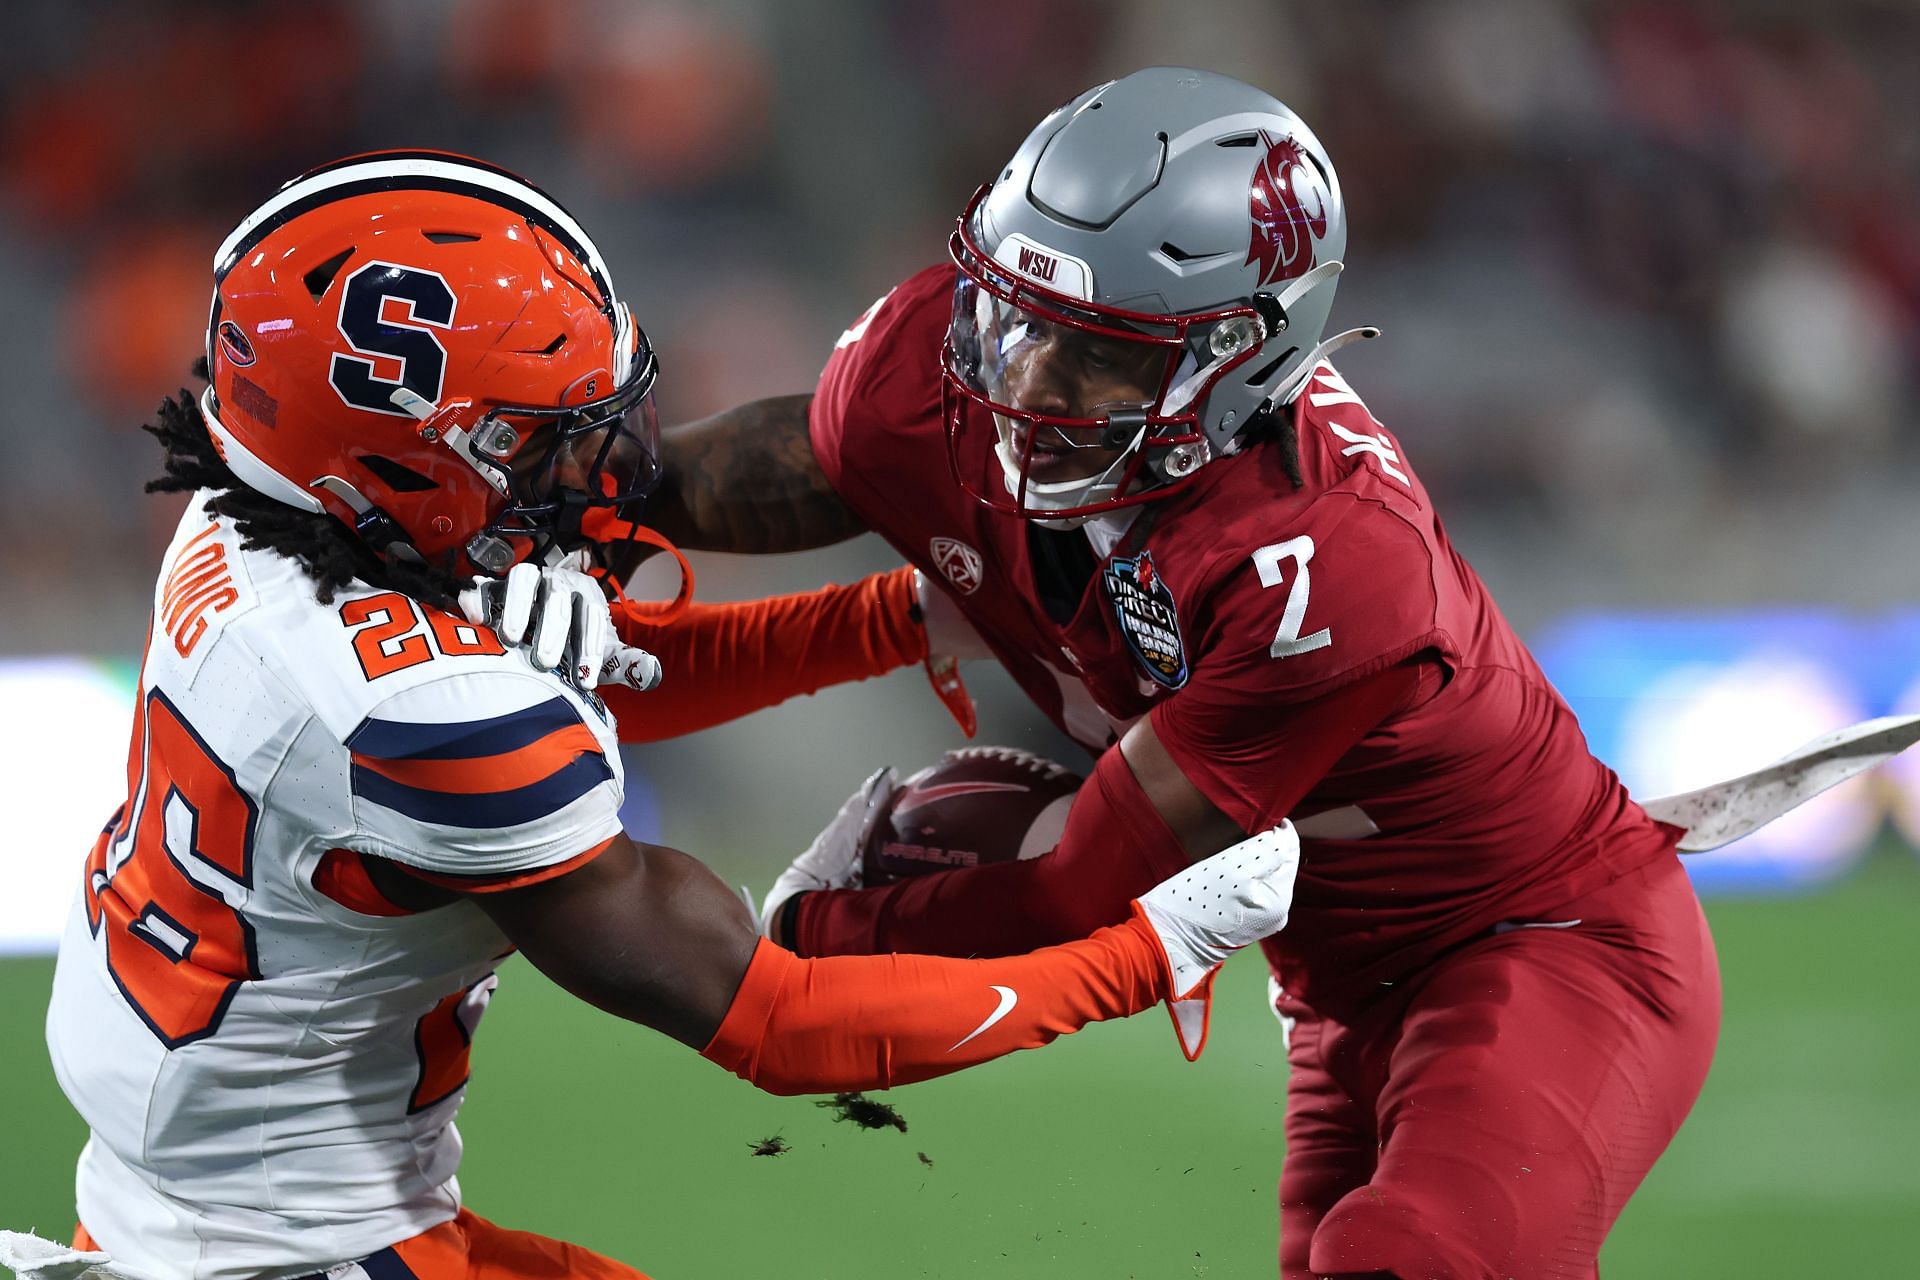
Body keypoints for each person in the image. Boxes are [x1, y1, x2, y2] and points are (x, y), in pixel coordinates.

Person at [40, 150, 1303, 1280]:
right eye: (530, 440)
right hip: (286, 1250)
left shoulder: (256, 526)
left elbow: (581, 680)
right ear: (400, 464)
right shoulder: (424, 715)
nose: (596, 466)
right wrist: (1148, 951)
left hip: (197, 1193)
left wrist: (904, 615)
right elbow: (780, 1021)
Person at [612, 69, 1723, 1279]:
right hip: (1335, 984)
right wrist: (569, 498)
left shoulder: (1323, 562)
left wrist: (831, 925)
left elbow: (1072, 893)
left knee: (1410, 1259)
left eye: (1091, 353)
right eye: (1014, 316)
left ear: (1239, 355)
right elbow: (825, 462)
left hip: (1542, 940)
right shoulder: (948, 366)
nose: (1023, 383)